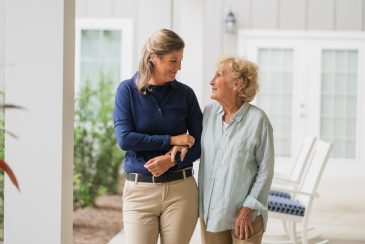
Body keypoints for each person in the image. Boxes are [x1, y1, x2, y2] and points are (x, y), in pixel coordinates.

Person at [113, 29, 202, 244]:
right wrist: (172, 140)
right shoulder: (127, 91)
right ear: (153, 56)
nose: (178, 67)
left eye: (180, 60)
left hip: (181, 192)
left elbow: (199, 143)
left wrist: (169, 161)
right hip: (139, 192)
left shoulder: (186, 94)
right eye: (173, 61)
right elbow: (125, 139)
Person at [199, 56, 275, 244]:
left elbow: (266, 170)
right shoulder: (208, 113)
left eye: (218, 75)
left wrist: (248, 208)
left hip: (245, 218)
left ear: (237, 84)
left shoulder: (258, 121)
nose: (211, 81)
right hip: (212, 215)